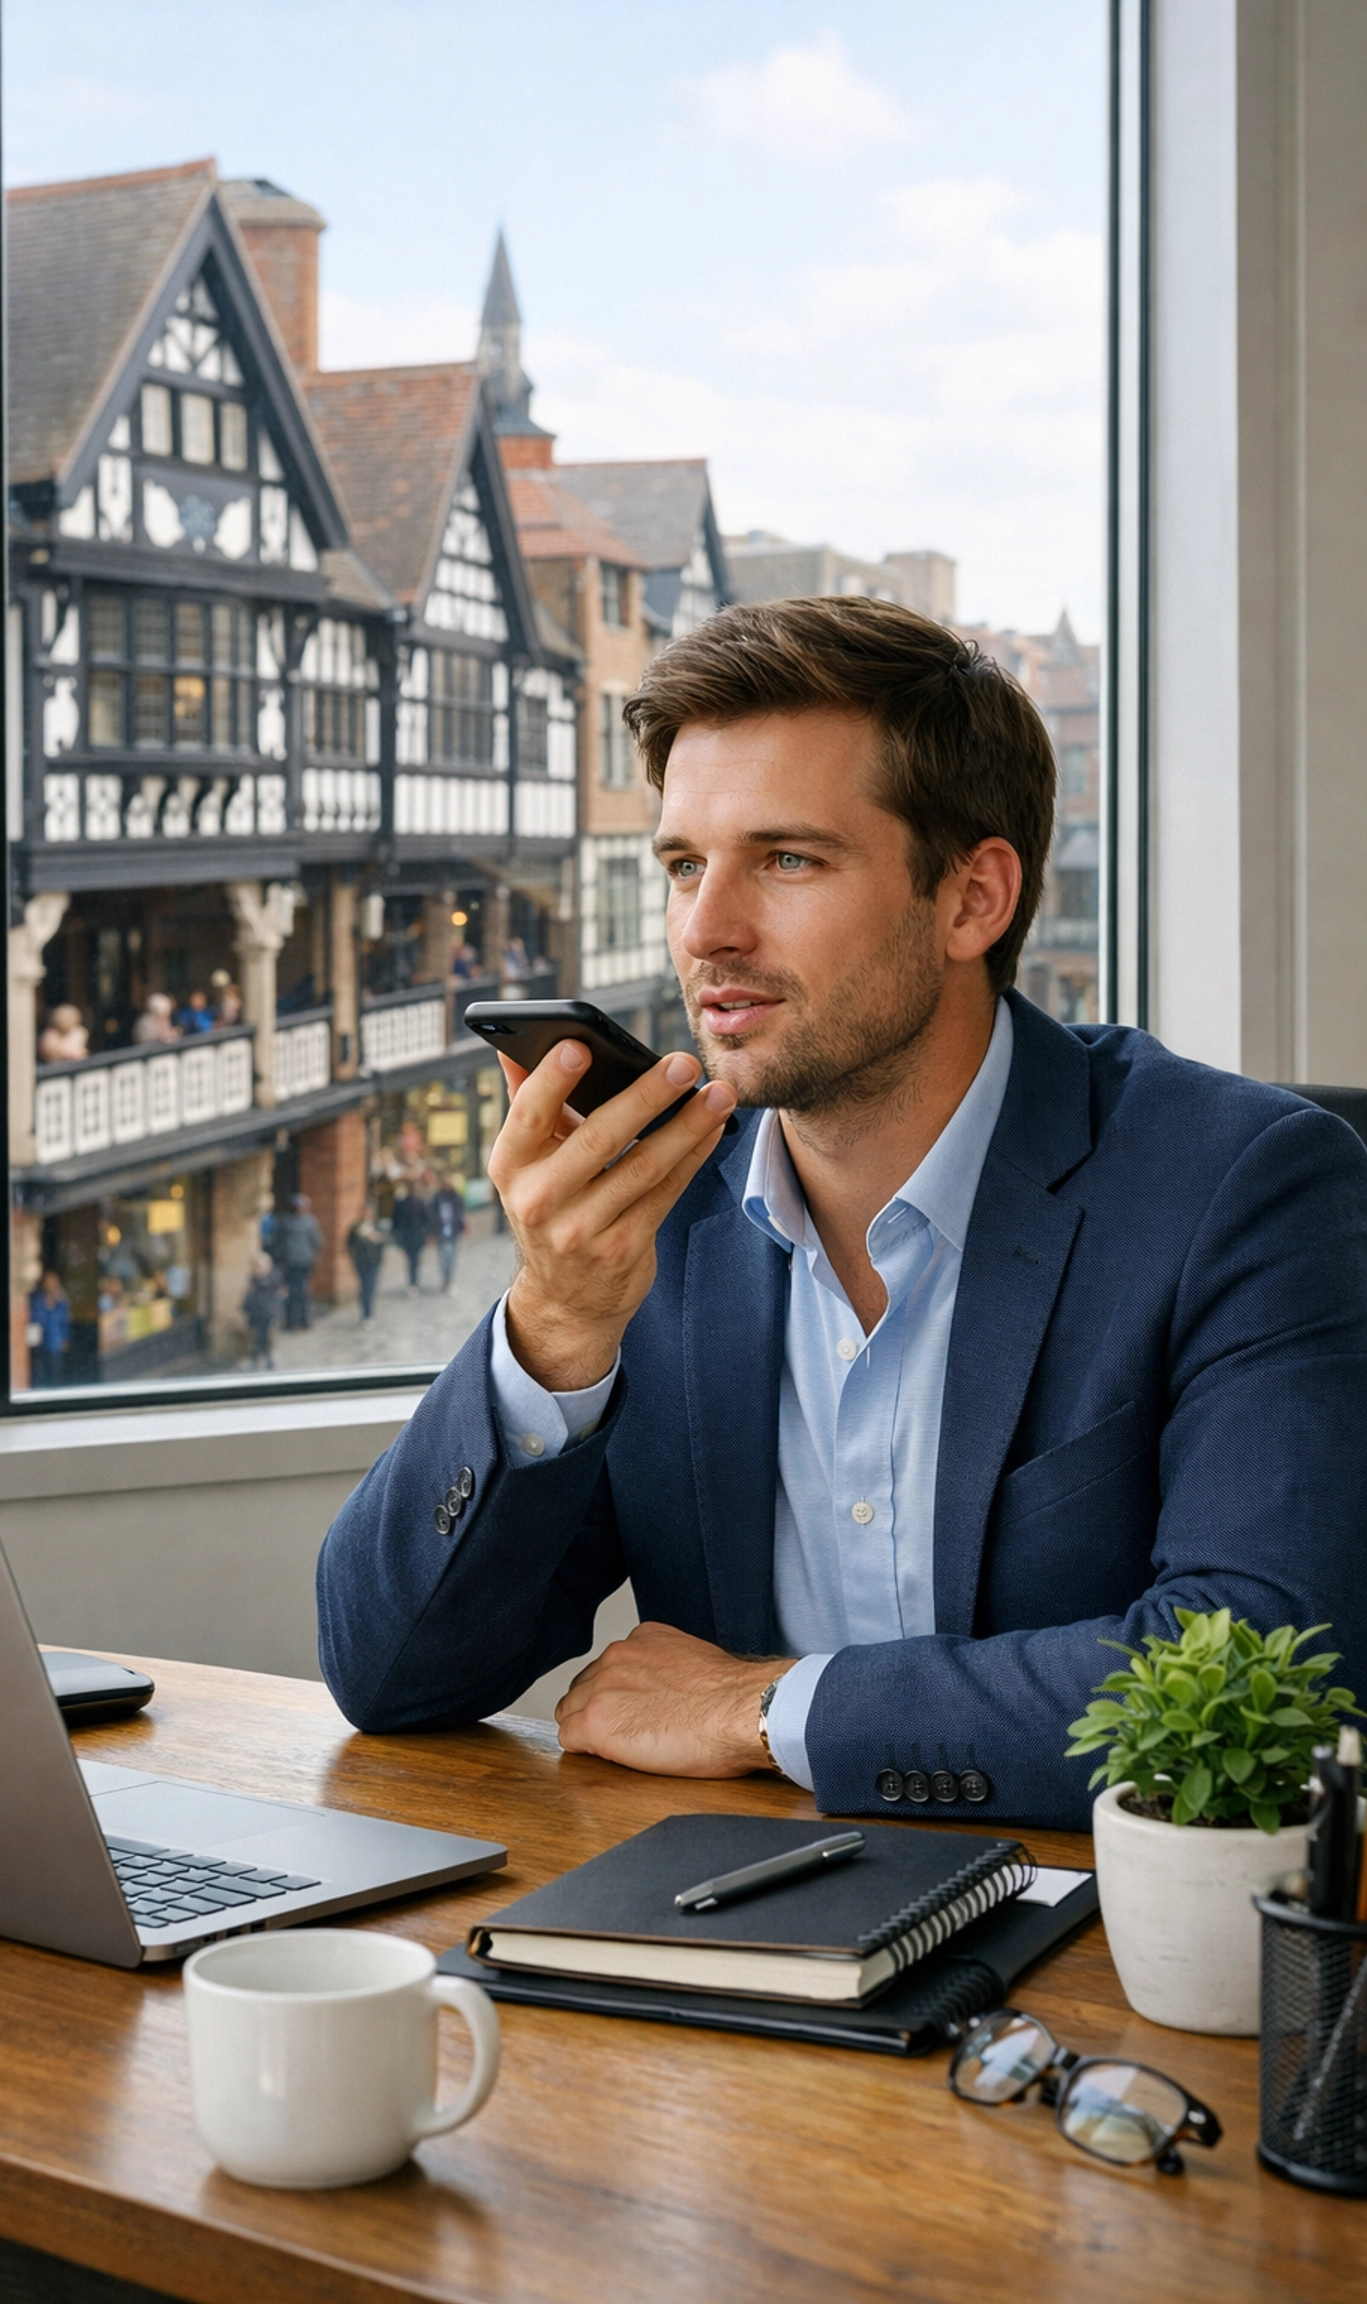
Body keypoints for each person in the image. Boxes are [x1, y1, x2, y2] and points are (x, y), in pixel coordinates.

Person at [316, 595, 1367, 1833]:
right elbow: (393, 1674)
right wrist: (554, 1323)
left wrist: (767, 1710)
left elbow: (1264, 1681)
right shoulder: (661, 1213)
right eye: (684, 866)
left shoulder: (1245, 1185)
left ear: (973, 899)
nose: (706, 932)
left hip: (1100, 1955)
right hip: (739, 1937)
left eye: (788, 858)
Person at [273, 1192, 324, 1330]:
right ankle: (303, 1321)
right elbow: (318, 1242)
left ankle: (291, 1321)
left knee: (291, 1291)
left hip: (291, 1261)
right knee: (302, 1291)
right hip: (303, 1261)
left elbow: (277, 1242)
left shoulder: (284, 1221)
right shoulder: (310, 1221)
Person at [27, 1270, 73, 1387]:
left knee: (56, 1374)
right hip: (40, 1344)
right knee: (40, 1373)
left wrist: (65, 1337)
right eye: (48, 1282)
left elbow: (64, 1320)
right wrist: (48, 1305)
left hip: (55, 1342)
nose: (50, 1285)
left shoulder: (61, 1300)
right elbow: (36, 1320)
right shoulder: (37, 1299)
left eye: (53, 1282)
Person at [241, 1252, 284, 1370]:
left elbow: (279, 1296)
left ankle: (270, 1361)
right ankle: (254, 1361)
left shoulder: (273, 1278)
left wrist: (275, 1311)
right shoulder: (252, 1279)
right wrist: (246, 1306)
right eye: (255, 1266)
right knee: (255, 1339)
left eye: (259, 1266)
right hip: (255, 1314)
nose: (257, 1269)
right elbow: (249, 1295)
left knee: (269, 1339)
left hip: (269, 1313)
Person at [390, 1174, 431, 1296]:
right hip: (407, 1236)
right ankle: (413, 1283)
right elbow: (396, 1220)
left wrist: (426, 1234)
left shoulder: (421, 1203)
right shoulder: (402, 1203)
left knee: (415, 1260)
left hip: (418, 1237)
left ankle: (414, 1282)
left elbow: (426, 1219)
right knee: (412, 1260)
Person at [347, 1213, 388, 1326]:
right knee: (364, 1287)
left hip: (374, 1262)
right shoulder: (356, 1228)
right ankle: (365, 1313)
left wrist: (378, 1238)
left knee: (371, 1287)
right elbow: (349, 1244)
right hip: (361, 1261)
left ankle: (369, 1313)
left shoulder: (377, 1227)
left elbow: (384, 1243)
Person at [431, 1172, 465, 1294]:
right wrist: (433, 1232)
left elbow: (460, 1212)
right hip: (441, 1231)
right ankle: (445, 1280)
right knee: (443, 1257)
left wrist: (462, 1225)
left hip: (453, 1230)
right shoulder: (437, 1197)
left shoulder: (455, 1196)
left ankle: (449, 1280)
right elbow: (433, 1215)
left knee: (451, 1256)